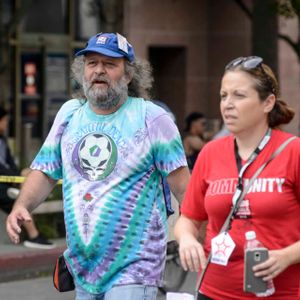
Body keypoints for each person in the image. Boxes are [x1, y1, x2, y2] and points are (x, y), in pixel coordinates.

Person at [6, 32, 190, 300]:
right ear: (82, 71)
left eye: (110, 64)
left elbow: (185, 188)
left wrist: (192, 235)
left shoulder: (152, 118)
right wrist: (22, 206)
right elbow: (45, 171)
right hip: (84, 268)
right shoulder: (69, 114)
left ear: (128, 74)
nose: (99, 70)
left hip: (136, 265)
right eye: (92, 63)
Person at [174, 56, 300, 299]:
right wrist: (187, 239)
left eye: (239, 96)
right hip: (213, 290)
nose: (227, 105)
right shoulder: (211, 152)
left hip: (281, 293)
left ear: (268, 103)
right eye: (223, 96)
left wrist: (287, 256)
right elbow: (188, 218)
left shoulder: (293, 152)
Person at [0, 107, 55, 249]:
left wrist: (19, 175)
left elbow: (10, 163)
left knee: (31, 172)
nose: (6, 124)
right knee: (18, 201)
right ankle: (34, 236)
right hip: (2, 182)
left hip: (8, 180)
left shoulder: (2, 140)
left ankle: (25, 191)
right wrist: (15, 177)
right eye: (4, 121)